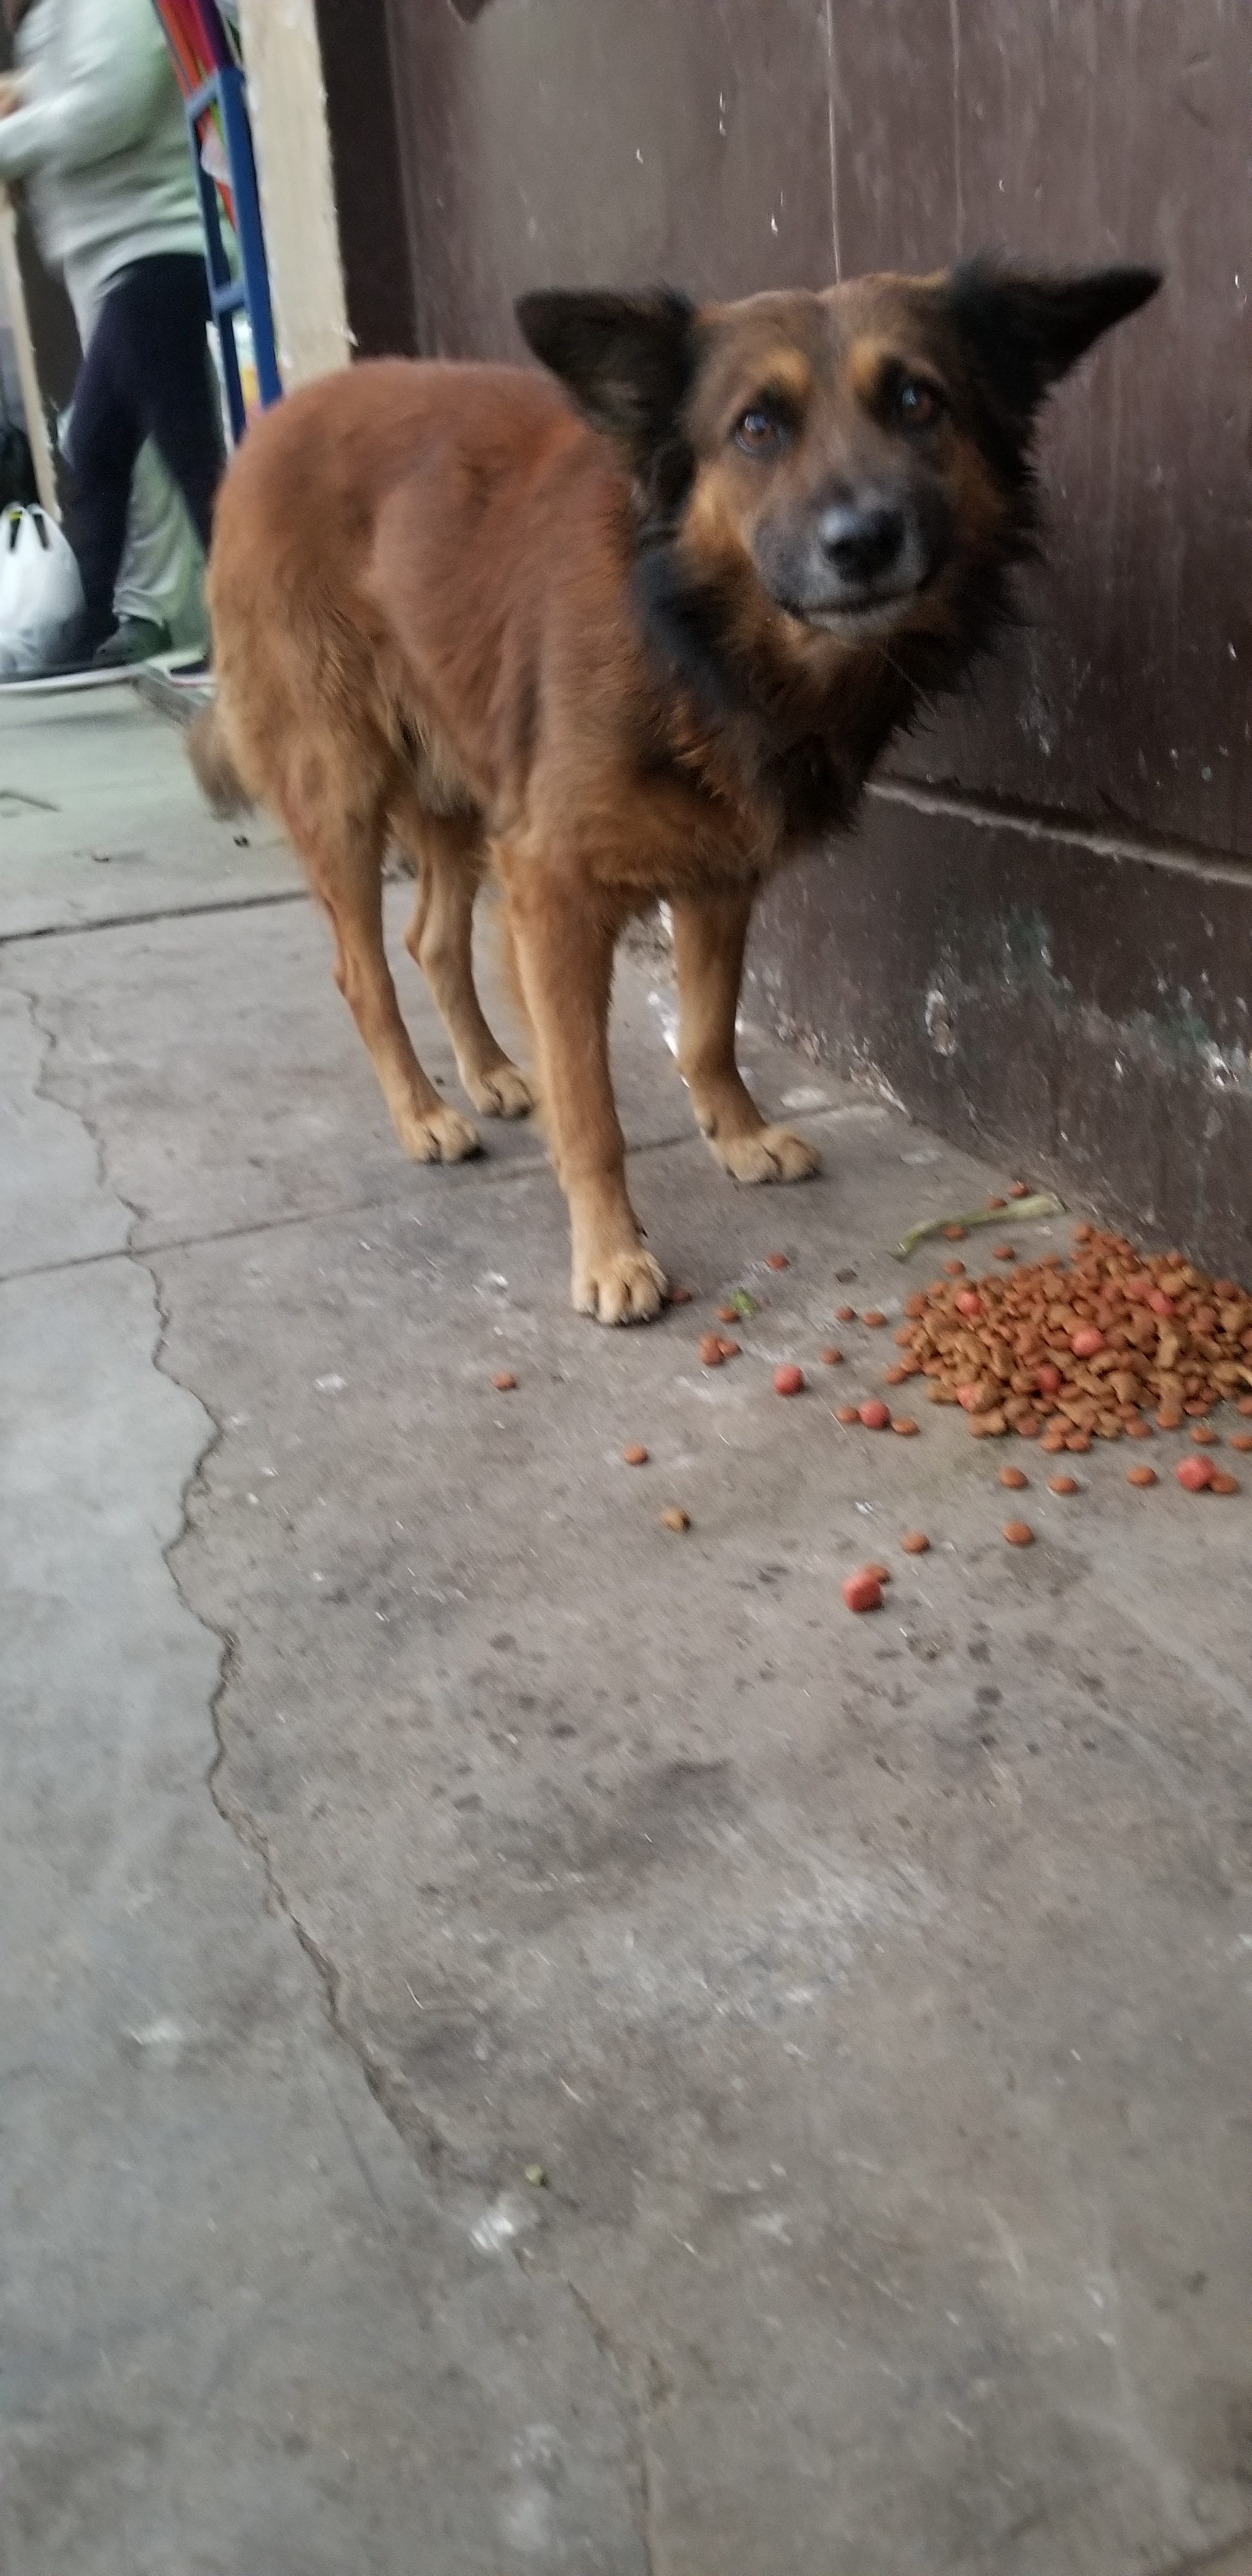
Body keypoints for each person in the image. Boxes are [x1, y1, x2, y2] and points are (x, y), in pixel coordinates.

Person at [0, 0, 224, 676]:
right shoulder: (58, 16)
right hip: (123, 258)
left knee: (192, 458)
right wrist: (28, 94)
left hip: (158, 247)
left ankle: (246, 627)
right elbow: (81, 86)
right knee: (98, 444)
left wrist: (13, 136)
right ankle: (94, 626)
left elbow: (109, 105)